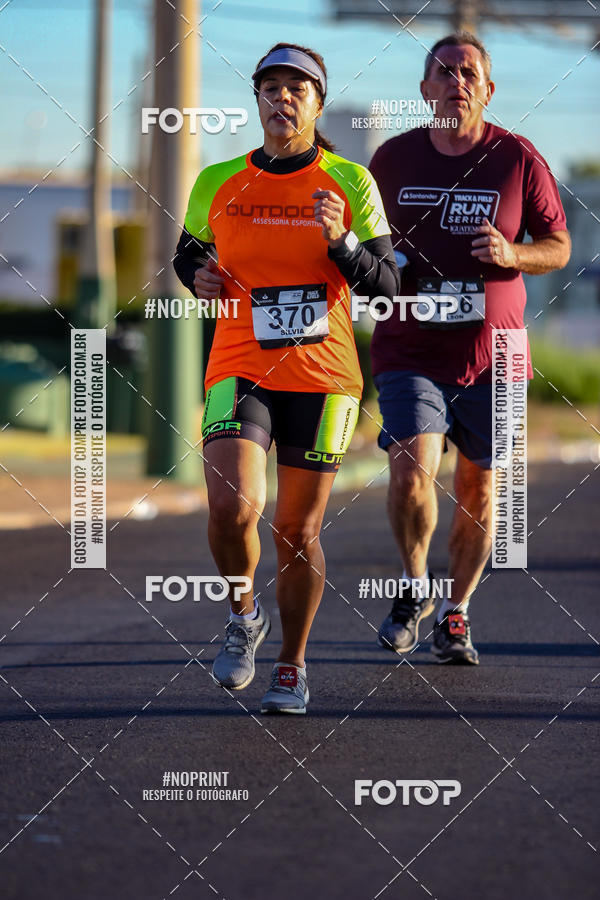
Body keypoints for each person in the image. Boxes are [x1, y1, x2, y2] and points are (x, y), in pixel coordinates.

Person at [173, 43, 399, 712]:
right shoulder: (218, 179)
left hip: (325, 376)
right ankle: (243, 614)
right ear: (258, 100)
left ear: (317, 103)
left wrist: (342, 244)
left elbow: (386, 285)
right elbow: (188, 258)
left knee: (296, 534)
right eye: (270, 87)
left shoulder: (350, 182)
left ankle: (292, 666)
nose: (283, 98)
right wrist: (199, 277)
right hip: (240, 363)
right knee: (230, 506)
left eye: (296, 88)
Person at [369, 32, 570, 664]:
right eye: (444, 72)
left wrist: (513, 254)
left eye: (469, 73)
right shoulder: (391, 159)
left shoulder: (517, 158)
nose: (457, 81)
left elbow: (557, 244)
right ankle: (413, 584)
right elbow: (364, 245)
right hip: (410, 345)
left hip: (495, 352)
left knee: (480, 489)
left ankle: (456, 613)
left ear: (487, 89)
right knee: (411, 468)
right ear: (425, 89)